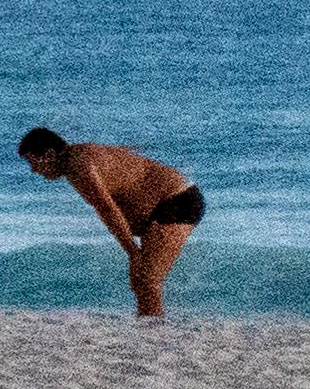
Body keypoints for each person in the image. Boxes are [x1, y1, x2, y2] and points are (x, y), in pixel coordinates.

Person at [21, 126, 205, 318]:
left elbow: (108, 209)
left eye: (33, 162)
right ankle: (150, 333)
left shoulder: (80, 166)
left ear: (50, 154)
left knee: (146, 279)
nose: (34, 170)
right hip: (162, 207)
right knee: (140, 281)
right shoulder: (79, 155)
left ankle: (155, 338)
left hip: (177, 200)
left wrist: (133, 253)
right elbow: (122, 162)